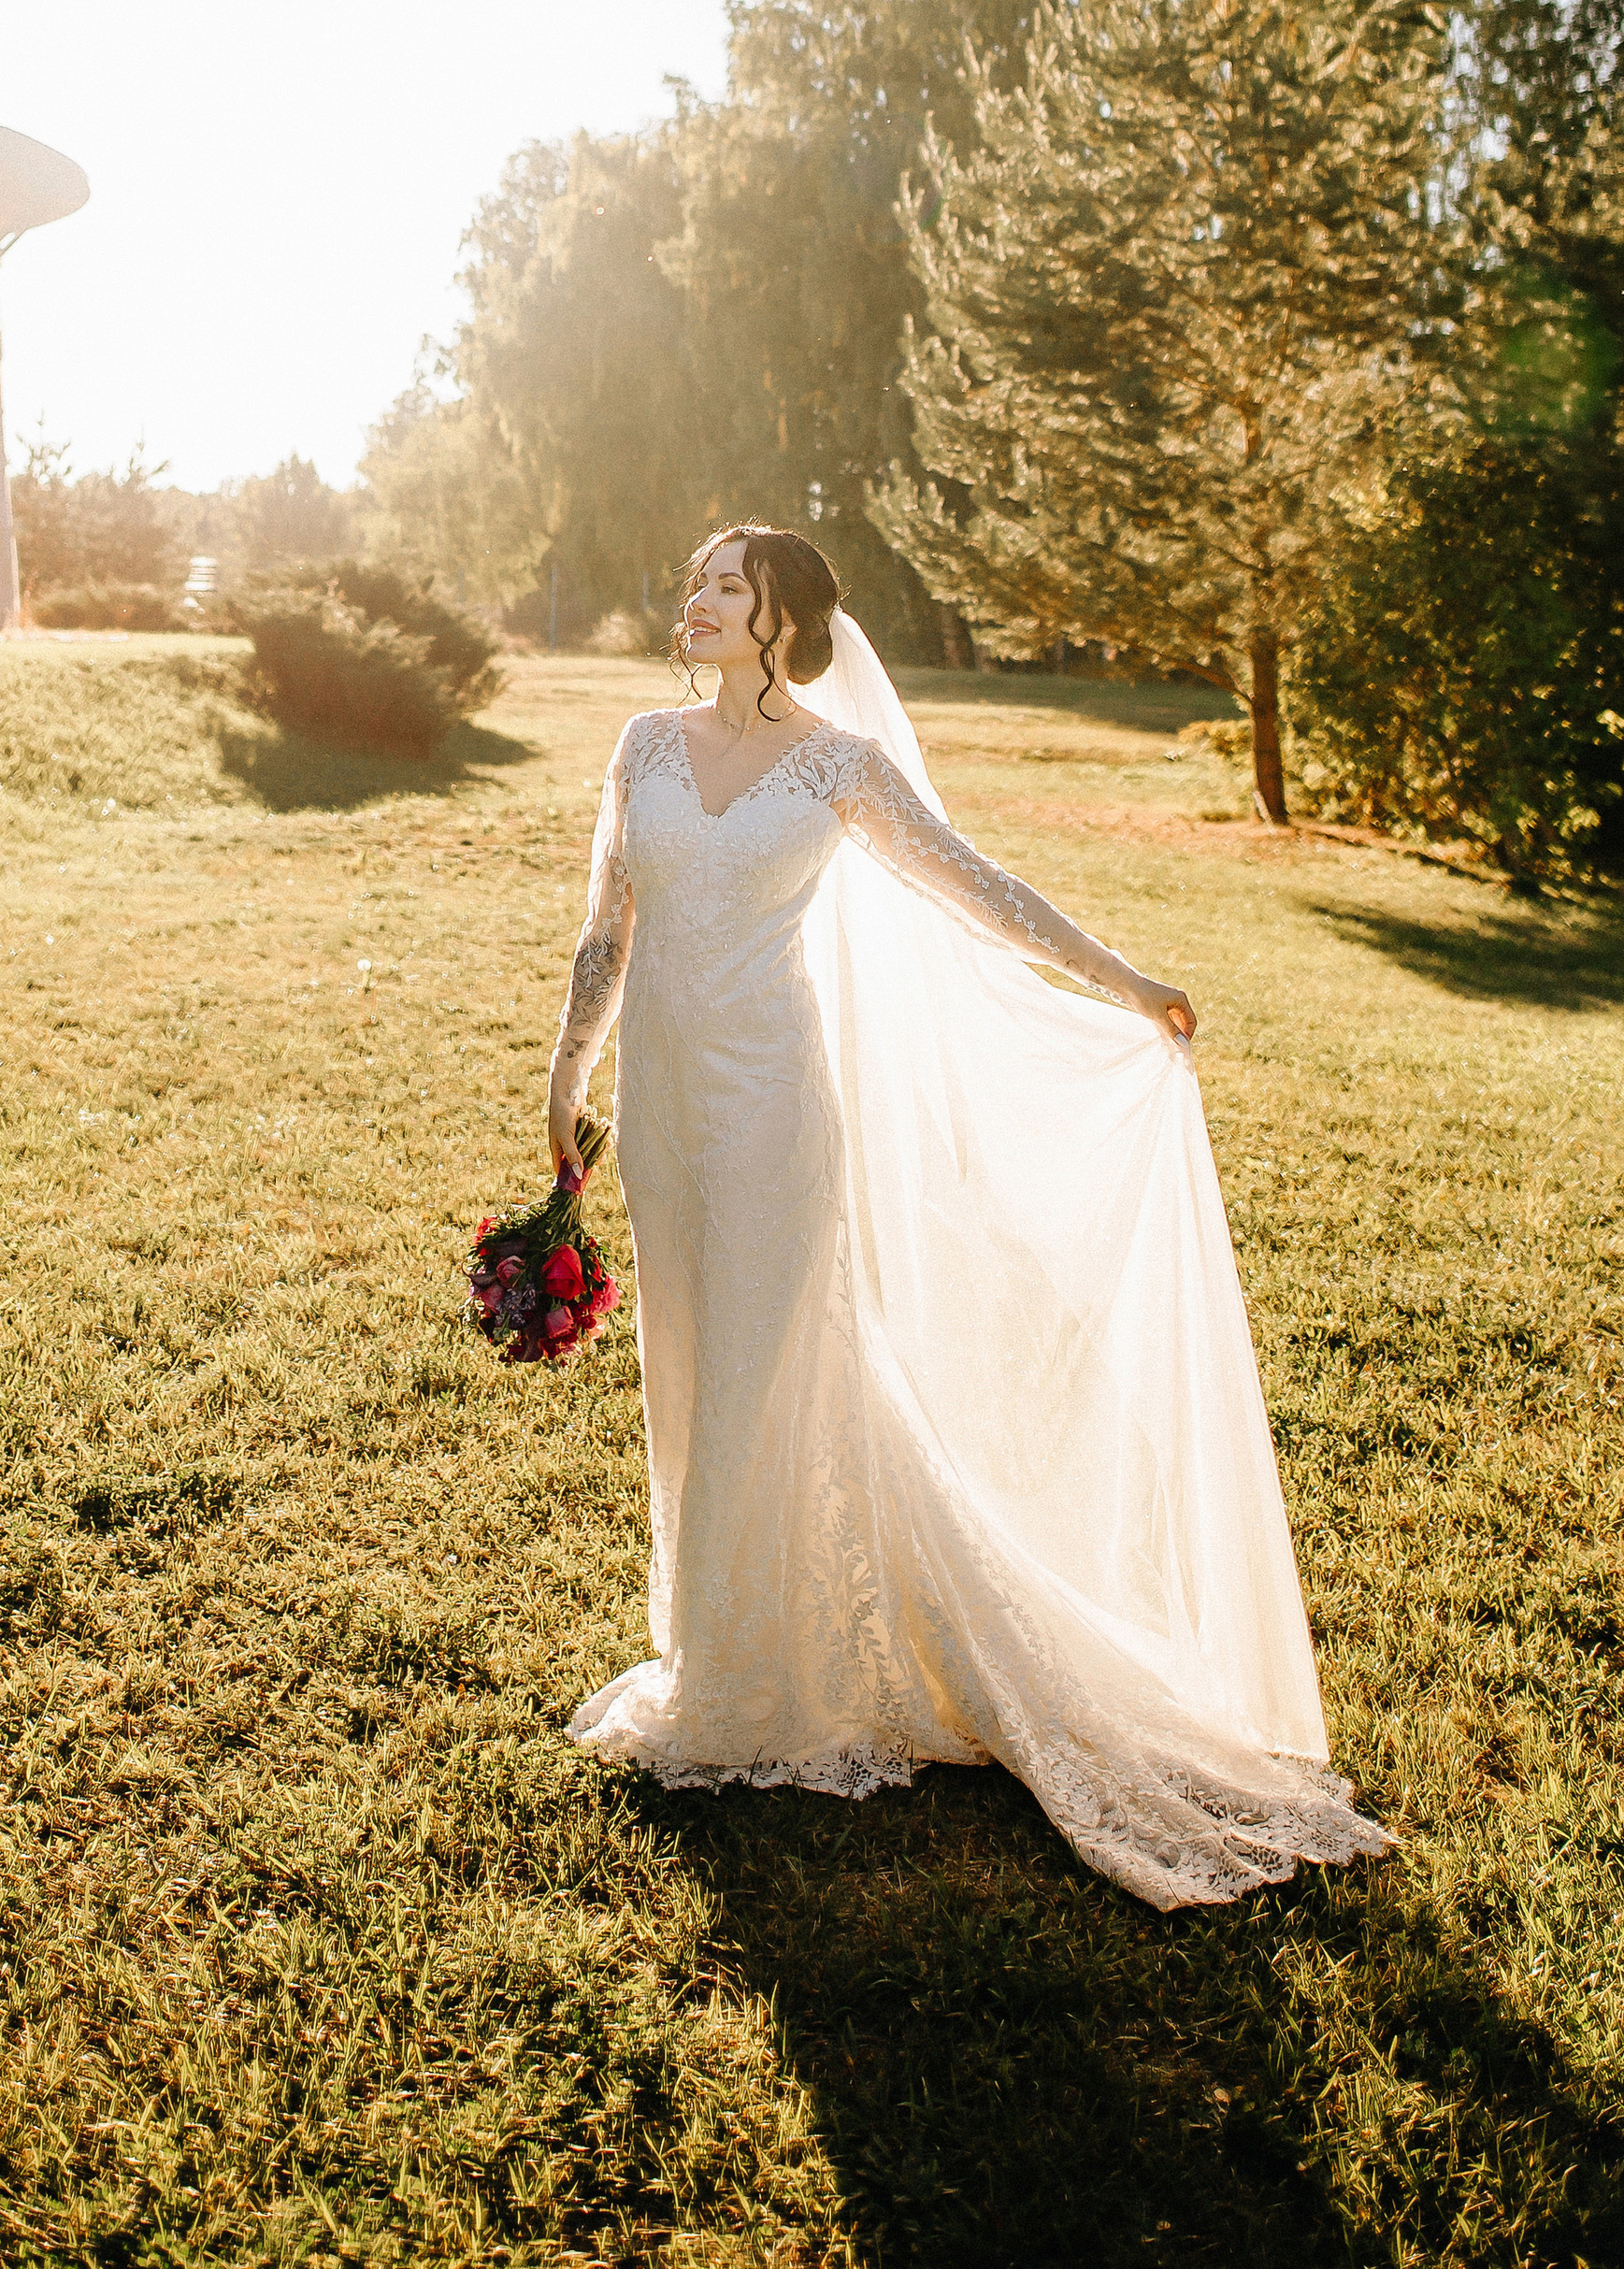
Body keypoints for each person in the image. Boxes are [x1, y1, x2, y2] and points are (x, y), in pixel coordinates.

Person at [539, 520, 1390, 1908]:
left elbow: (982, 889)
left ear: (781, 618)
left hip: (769, 1115)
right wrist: (562, 1079)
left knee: (768, 1376)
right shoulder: (641, 744)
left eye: (725, 586)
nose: (693, 601)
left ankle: (758, 1690)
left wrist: (1127, 984)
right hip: (665, 1113)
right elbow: (606, 928)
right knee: (689, 1378)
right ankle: (712, 1650)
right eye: (690, 579)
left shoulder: (838, 767)